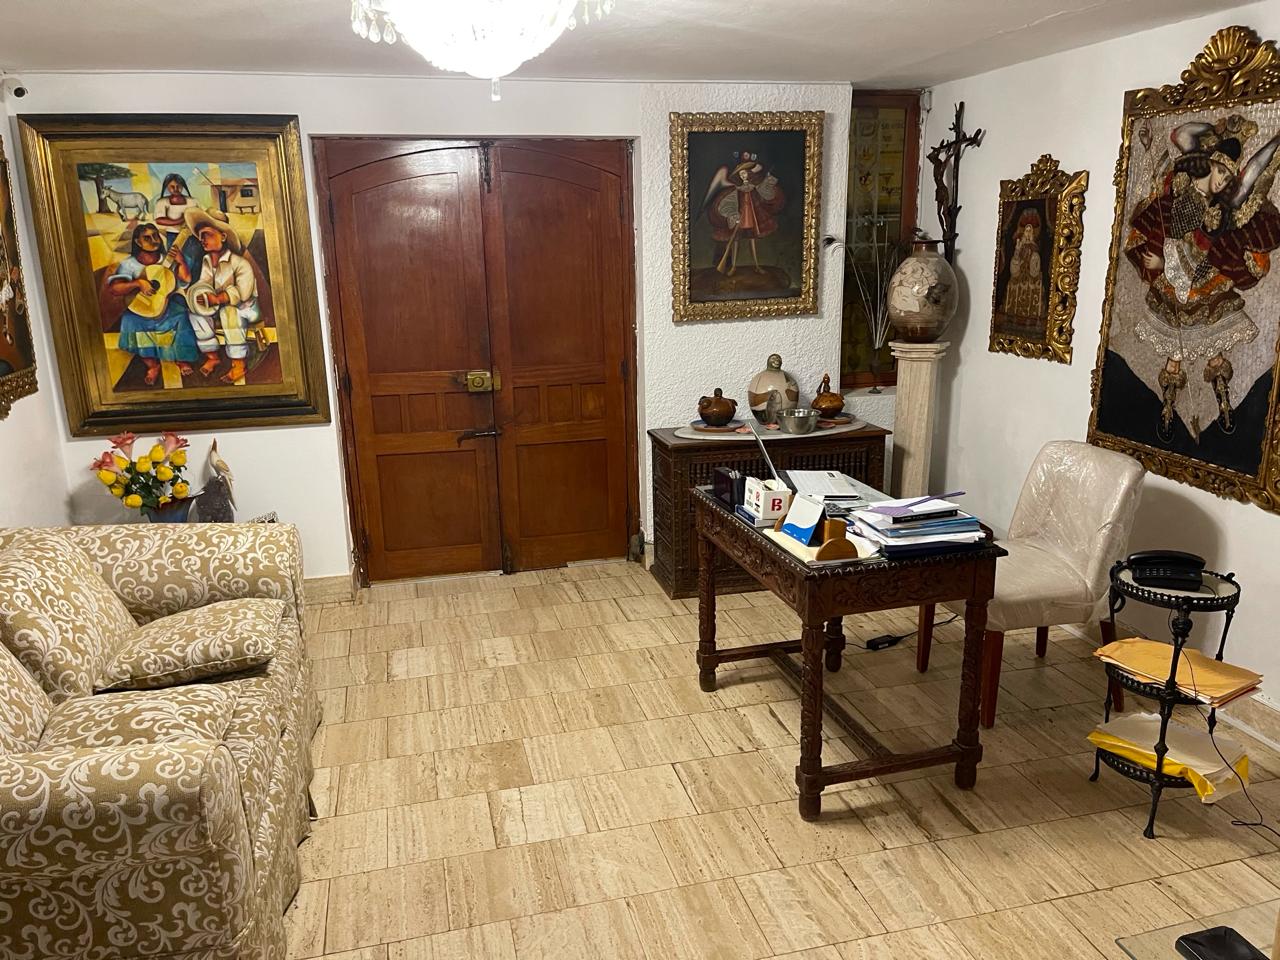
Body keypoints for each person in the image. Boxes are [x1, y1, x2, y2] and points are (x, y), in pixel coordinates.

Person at [1124, 114, 1280, 441]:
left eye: (1229, 177)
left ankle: (1223, 402)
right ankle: (1168, 408)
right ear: (1210, 165)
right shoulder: (1182, 191)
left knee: (1213, 347)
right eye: (1221, 172)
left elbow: (1255, 176)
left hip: (1204, 282)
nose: (1223, 181)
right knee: (1175, 351)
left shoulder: (1220, 209)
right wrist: (1157, 260)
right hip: (1175, 280)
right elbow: (1160, 204)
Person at [107, 222, 200, 385]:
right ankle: (152, 365)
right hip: (141, 308)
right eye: (147, 238)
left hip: (166, 305)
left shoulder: (167, 259)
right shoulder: (129, 264)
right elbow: (115, 289)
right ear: (137, 242)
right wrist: (137, 283)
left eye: (156, 236)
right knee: (130, 321)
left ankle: (182, 359)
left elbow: (186, 279)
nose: (153, 240)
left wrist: (181, 262)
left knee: (181, 316)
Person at [184, 207, 258, 383]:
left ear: (223, 236)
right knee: (195, 313)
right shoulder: (207, 261)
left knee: (229, 313)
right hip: (217, 305)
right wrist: (201, 296)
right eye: (200, 236)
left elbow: (243, 293)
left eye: (207, 235)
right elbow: (204, 283)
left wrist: (218, 298)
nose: (202, 240)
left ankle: (238, 363)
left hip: (245, 307)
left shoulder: (239, 263)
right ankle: (212, 356)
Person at [699, 150, 786, 276]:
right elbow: (728, 203)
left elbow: (765, 193)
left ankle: (756, 265)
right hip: (740, 216)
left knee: (752, 240)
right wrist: (733, 215)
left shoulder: (753, 186)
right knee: (735, 241)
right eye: (741, 173)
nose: (743, 175)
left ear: (748, 173)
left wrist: (768, 180)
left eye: (745, 173)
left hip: (751, 216)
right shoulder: (737, 189)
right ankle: (733, 267)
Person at [1001, 210, 1044, 320]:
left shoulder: (1034, 247)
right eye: (1026, 230)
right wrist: (1017, 252)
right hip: (1020, 272)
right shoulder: (1019, 246)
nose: (1028, 233)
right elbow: (1016, 259)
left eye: (1030, 231)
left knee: (1033, 283)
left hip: (1030, 273)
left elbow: (1035, 264)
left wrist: (1033, 261)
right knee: (1013, 282)